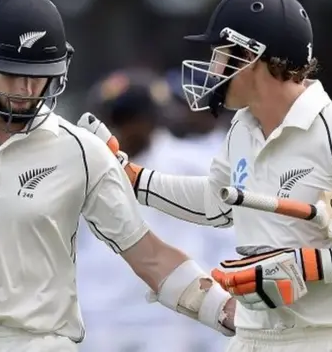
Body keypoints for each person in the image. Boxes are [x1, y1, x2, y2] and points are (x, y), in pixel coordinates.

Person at [0, 0, 235, 351]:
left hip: (40, 342)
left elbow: (150, 256)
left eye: (40, 75)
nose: (28, 90)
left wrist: (226, 310)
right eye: (12, 74)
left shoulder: (80, 149)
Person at [79, 0, 332, 350]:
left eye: (219, 54)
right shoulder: (243, 129)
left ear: (250, 56)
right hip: (256, 339)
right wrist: (133, 178)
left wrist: (309, 264)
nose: (212, 68)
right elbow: (217, 202)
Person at [78, 69, 234, 352]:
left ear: (149, 119)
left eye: (126, 118)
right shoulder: (84, 168)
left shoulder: (192, 166)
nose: (117, 129)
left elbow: (224, 239)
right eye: (111, 118)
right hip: (100, 314)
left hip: (166, 316)